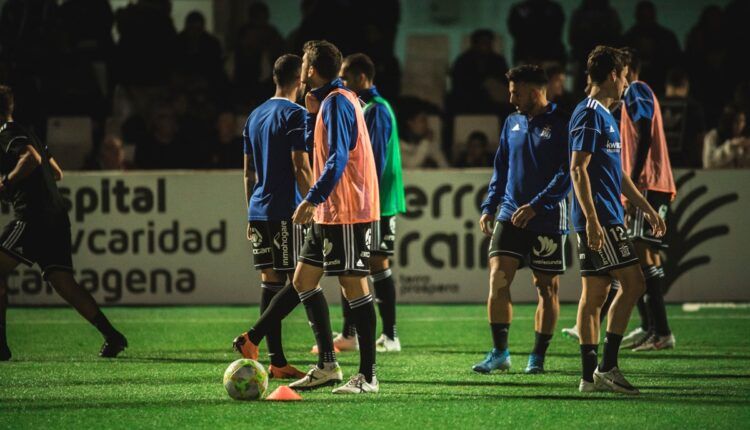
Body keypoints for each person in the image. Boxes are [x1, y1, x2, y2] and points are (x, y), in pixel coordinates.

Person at [233, 41, 380, 394]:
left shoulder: (338, 102)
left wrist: (312, 198)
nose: (301, 71)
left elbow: (339, 157)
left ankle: (368, 376)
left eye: (304, 65)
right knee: (302, 281)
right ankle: (316, 362)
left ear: (311, 70)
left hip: (347, 209)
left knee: (353, 283)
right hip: (330, 212)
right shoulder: (328, 103)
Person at [0, 85, 127, 361]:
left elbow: (30, 159)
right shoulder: (29, 131)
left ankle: (0, 346)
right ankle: (112, 335)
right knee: (63, 282)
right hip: (56, 216)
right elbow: (55, 172)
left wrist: (7, 182)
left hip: (32, 216)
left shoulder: (6, 134)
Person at [568, 46, 666, 394]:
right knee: (634, 283)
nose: (627, 82)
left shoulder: (607, 115)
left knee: (594, 294)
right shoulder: (589, 113)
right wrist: (593, 221)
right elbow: (577, 169)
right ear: (612, 75)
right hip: (601, 217)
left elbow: (619, 174)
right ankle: (607, 367)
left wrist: (646, 208)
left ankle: (587, 378)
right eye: (624, 75)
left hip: (605, 215)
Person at [472, 65, 570, 375]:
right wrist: (489, 205)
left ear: (533, 91)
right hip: (510, 213)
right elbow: (501, 167)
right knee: (498, 279)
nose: (511, 98)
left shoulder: (562, 124)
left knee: (546, 288)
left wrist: (537, 206)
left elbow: (567, 174)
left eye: (515, 92)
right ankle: (500, 352)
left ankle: (537, 356)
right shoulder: (511, 122)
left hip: (547, 219)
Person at [233, 54, 313, 380]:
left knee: (270, 281)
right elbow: (300, 165)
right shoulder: (297, 115)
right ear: (300, 79)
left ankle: (276, 362)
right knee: (302, 280)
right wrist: (314, 201)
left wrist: (249, 211)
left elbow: (248, 172)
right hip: (286, 209)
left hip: (259, 207)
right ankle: (252, 336)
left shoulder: (254, 115)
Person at [327, 53, 406, 353]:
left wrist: (361, 194)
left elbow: (373, 159)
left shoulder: (377, 110)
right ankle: (351, 333)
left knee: (375, 262)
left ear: (361, 78)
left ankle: (390, 335)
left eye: (346, 76)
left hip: (378, 202)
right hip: (367, 202)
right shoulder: (365, 108)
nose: (342, 82)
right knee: (353, 263)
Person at [616, 48, 677, 351]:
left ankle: (660, 331)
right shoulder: (637, 93)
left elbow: (645, 131)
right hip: (654, 184)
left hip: (648, 184)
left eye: (619, 68)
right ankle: (650, 327)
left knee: (641, 257)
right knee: (644, 257)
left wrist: (636, 179)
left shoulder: (636, 89)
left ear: (628, 68)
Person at [621, 1, 681, 95]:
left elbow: (675, 64)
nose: (646, 22)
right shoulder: (627, 39)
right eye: (643, 17)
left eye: (648, 17)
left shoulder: (667, 38)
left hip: (660, 85)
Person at [449, 29, 509, 114]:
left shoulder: (498, 60)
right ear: (475, 44)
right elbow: (458, 82)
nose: (485, 46)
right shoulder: (463, 60)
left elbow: (505, 81)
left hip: (493, 100)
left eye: (488, 42)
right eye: (482, 42)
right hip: (467, 97)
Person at [660, 68, 706, 168]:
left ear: (667, 85)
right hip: (686, 164)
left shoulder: (655, 105)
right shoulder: (694, 107)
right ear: (686, 86)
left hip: (659, 164)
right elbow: (700, 138)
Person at [507, 0, 566, 65]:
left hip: (551, 56)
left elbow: (556, 31)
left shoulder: (554, 8)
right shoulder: (519, 9)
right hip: (526, 56)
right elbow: (515, 31)